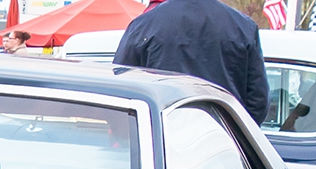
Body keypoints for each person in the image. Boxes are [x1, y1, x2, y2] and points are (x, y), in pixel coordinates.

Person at [113, 0, 268, 122]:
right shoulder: (243, 27)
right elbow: (257, 102)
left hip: (162, 141)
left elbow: (121, 88)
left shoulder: (145, 25)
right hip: (221, 142)